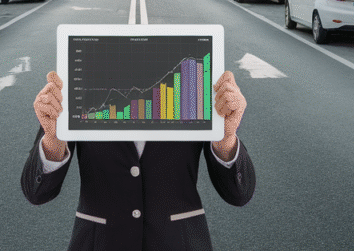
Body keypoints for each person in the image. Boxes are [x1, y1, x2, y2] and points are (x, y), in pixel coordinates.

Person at [21, 70, 255, 251]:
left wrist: (225, 138)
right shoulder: (80, 79)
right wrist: (53, 138)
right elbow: (37, 192)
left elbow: (238, 193)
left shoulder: (192, 82)